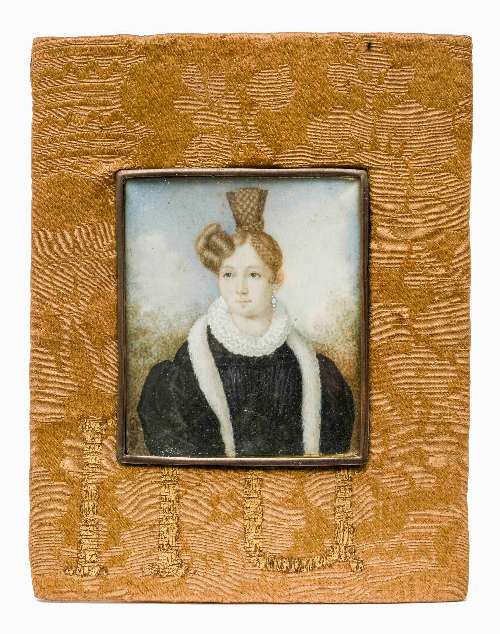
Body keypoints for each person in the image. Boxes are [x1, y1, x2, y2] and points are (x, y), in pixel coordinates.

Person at [137, 187, 354, 457]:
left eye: (253, 275)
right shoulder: (188, 366)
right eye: (228, 275)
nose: (239, 288)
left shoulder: (311, 370)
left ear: (277, 280)